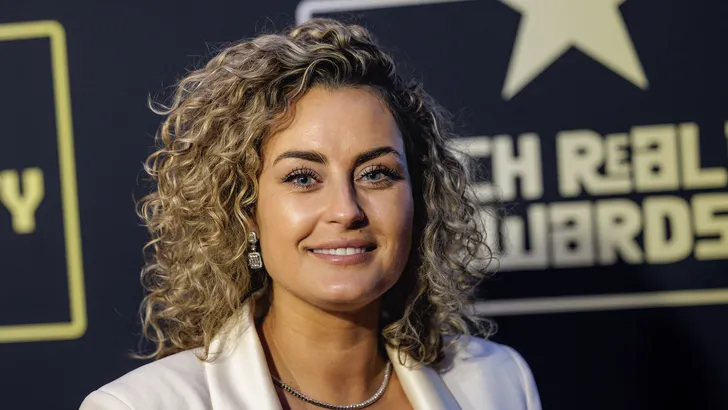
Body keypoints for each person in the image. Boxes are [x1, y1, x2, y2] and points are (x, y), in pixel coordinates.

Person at [80, 18, 541, 410]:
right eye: (303, 178)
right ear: (245, 210)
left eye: (376, 174)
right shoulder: (139, 405)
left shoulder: (499, 383)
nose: (346, 210)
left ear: (419, 200)